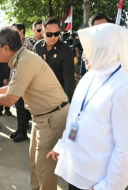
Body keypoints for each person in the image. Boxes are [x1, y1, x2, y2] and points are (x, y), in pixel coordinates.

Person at [0, 27, 69, 190]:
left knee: (45, 170)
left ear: (5, 48)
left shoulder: (24, 62)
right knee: (35, 164)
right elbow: (11, 89)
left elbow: (9, 99)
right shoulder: (21, 58)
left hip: (52, 118)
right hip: (42, 117)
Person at [47, 23, 128, 190]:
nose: (83, 55)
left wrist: (107, 186)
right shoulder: (89, 76)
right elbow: (75, 117)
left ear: (105, 50)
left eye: (88, 50)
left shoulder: (123, 87)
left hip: (98, 180)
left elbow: (125, 147)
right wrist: (62, 145)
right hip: (76, 169)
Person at [34, 17, 75, 102]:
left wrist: (69, 102)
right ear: (42, 32)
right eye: (49, 34)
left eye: (56, 34)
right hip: (40, 94)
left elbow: (68, 79)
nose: (53, 37)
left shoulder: (65, 50)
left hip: (58, 96)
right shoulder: (37, 47)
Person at [11, 23, 32, 142]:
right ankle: (19, 129)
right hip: (15, 80)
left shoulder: (27, 45)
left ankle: (23, 133)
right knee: (18, 107)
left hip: (24, 81)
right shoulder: (15, 44)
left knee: (23, 107)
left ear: (21, 31)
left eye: (15, 31)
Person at [80, 13, 112, 77]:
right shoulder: (87, 50)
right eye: (97, 29)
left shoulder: (117, 48)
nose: (101, 31)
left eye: (104, 27)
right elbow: (83, 74)